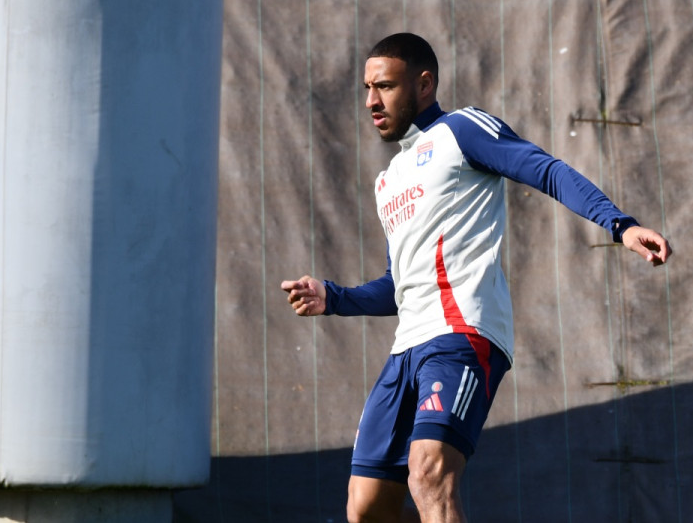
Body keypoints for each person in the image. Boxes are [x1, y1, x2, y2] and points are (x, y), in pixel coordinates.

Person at [281, 32, 672, 523]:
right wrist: (333, 297)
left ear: (424, 84)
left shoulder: (461, 130)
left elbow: (545, 170)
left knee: (429, 474)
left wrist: (621, 224)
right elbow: (398, 286)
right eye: (366, 88)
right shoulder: (389, 180)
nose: (370, 102)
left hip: (462, 336)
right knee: (366, 509)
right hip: (407, 349)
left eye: (384, 86)